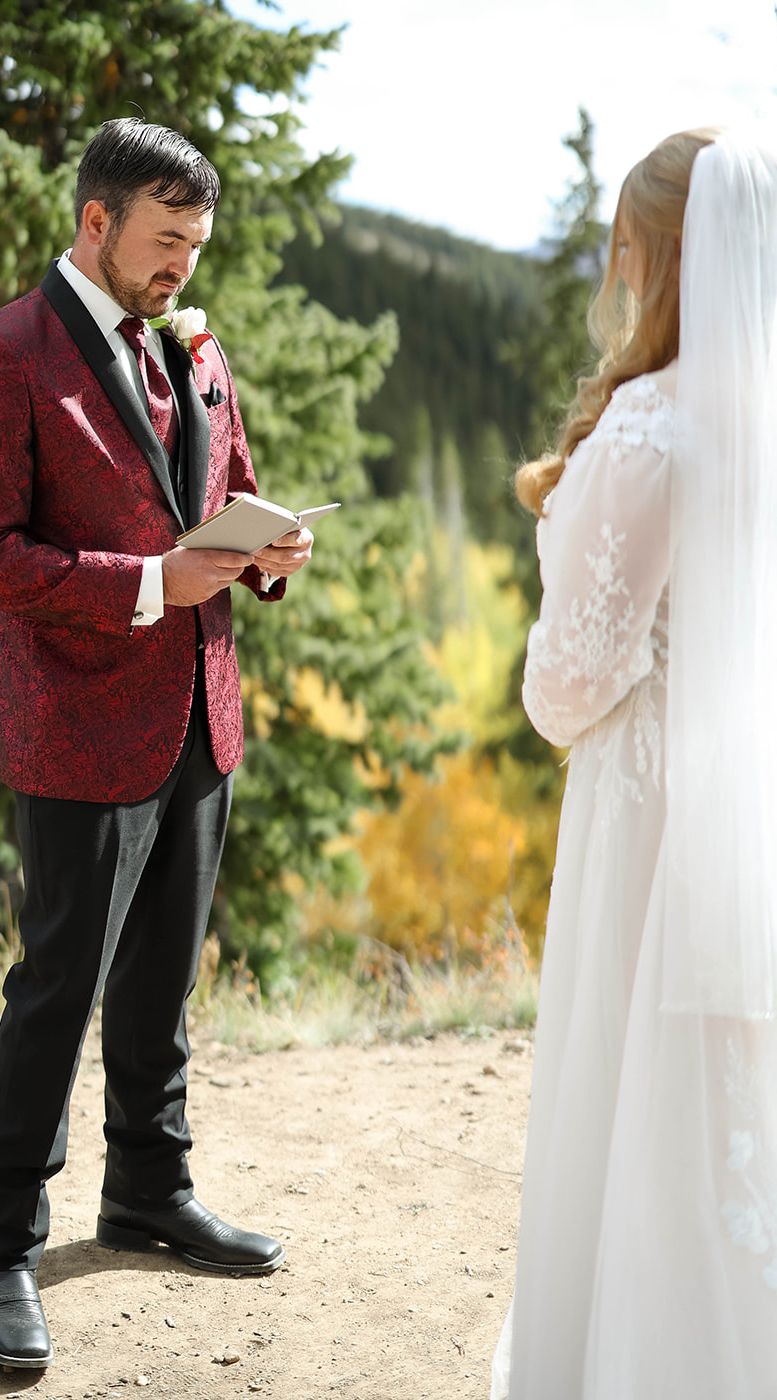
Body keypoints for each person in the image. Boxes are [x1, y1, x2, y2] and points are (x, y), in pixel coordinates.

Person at [0, 118, 313, 1372]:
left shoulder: (196, 346)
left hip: (200, 715)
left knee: (161, 983)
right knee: (56, 992)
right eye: (164, 243)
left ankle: (146, 1191)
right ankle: (3, 1250)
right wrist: (151, 582)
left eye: (196, 246)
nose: (182, 272)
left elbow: (224, 493)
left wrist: (267, 555)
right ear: (94, 222)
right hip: (80, 728)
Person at [491, 128, 777, 1398]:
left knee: (633, 1076)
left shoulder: (649, 432)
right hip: (746, 793)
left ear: (653, 256)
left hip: (648, 809)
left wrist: (544, 683)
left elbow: (569, 681)